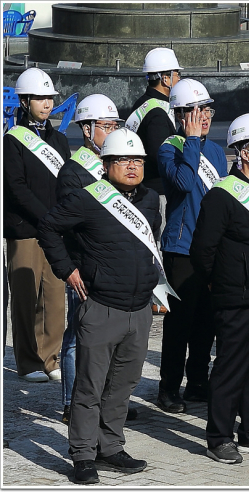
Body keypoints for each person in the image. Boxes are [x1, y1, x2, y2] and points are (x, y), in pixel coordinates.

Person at [37, 128, 161, 484]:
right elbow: (48, 227)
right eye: (123, 160)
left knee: (123, 385)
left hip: (139, 311)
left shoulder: (150, 199)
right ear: (106, 165)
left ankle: (110, 447)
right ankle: (82, 456)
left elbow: (153, 239)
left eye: (137, 159)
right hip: (101, 306)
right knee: (89, 387)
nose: (132, 166)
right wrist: (68, 270)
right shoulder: (88, 198)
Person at [190, 113, 249, 464]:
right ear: (244, 152)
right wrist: (223, 284)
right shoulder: (221, 196)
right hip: (236, 297)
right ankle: (218, 437)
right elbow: (202, 251)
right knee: (231, 367)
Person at [155, 79, 228, 414]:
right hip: (181, 248)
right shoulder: (169, 147)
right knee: (179, 324)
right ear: (181, 115)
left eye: (207, 109)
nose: (205, 116)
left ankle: (198, 381)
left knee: (206, 322)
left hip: (210, 249)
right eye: (197, 110)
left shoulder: (215, 151)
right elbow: (184, 183)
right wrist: (193, 141)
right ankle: (168, 387)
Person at [55, 93, 127, 424]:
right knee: (77, 336)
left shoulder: (113, 163)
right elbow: (69, 225)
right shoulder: (73, 172)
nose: (112, 131)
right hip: (84, 265)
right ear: (87, 129)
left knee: (110, 334)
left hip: (112, 263)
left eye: (115, 125)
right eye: (106, 126)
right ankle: (73, 403)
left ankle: (104, 401)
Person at [3, 67, 70, 383]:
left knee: (55, 296)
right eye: (41, 98)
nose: (47, 103)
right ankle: (29, 361)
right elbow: (15, 187)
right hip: (25, 228)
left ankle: (50, 357)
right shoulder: (12, 141)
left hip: (54, 230)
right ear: (25, 100)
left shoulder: (58, 139)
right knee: (26, 296)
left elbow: (66, 182)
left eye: (50, 98)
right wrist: (45, 216)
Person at [126, 47, 183, 314]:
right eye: (176, 74)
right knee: (156, 246)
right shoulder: (158, 114)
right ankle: (157, 298)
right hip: (157, 192)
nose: (179, 79)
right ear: (164, 78)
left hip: (146, 189)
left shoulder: (142, 105)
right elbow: (164, 158)